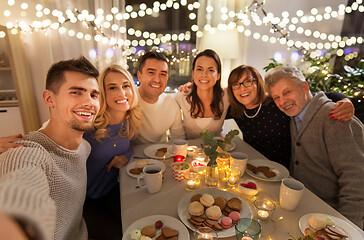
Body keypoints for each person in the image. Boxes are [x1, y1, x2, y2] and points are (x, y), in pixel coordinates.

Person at [0, 56, 100, 239]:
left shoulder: (84, 148)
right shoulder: (25, 152)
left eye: (94, 95)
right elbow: (21, 190)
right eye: (76, 92)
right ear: (49, 99)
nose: (89, 102)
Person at [265, 65, 364, 228]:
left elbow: (357, 181)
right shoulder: (295, 114)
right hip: (301, 208)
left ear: (304, 87)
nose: (282, 101)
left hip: (329, 217)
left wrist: (345, 229)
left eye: (287, 92)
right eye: (276, 97)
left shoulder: (336, 118)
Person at [226, 65, 354, 168]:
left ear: (258, 83)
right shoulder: (235, 110)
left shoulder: (276, 103)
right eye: (236, 85)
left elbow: (313, 96)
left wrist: (345, 100)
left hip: (284, 173)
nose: (241, 88)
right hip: (253, 168)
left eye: (247, 82)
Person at [82, 65, 141, 239]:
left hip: (113, 190)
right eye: (112, 88)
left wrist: (125, 156)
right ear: (102, 93)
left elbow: (129, 146)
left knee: (137, 226)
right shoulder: (89, 125)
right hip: (85, 200)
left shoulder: (129, 119)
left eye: (126, 86)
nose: (122, 93)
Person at [174, 49, 229, 139]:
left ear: (218, 75)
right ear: (193, 73)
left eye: (210, 70)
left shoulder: (226, 96)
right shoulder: (182, 97)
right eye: (199, 69)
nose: (204, 74)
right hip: (188, 151)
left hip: (217, 151)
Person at [135, 51, 185, 143]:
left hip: (160, 155)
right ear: (139, 76)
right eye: (151, 72)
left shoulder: (171, 104)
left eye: (162, 74)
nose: (157, 80)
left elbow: (179, 140)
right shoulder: (128, 99)